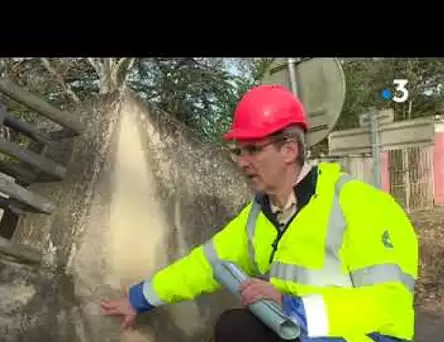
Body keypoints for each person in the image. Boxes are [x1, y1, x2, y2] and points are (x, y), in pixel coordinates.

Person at [99, 84, 418, 342]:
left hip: (367, 336)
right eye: (239, 150)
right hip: (296, 330)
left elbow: (388, 306)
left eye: (253, 149)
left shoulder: (362, 205)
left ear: (289, 150)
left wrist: (292, 307)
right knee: (235, 327)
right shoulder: (261, 213)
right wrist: (139, 298)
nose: (241, 161)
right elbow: (205, 264)